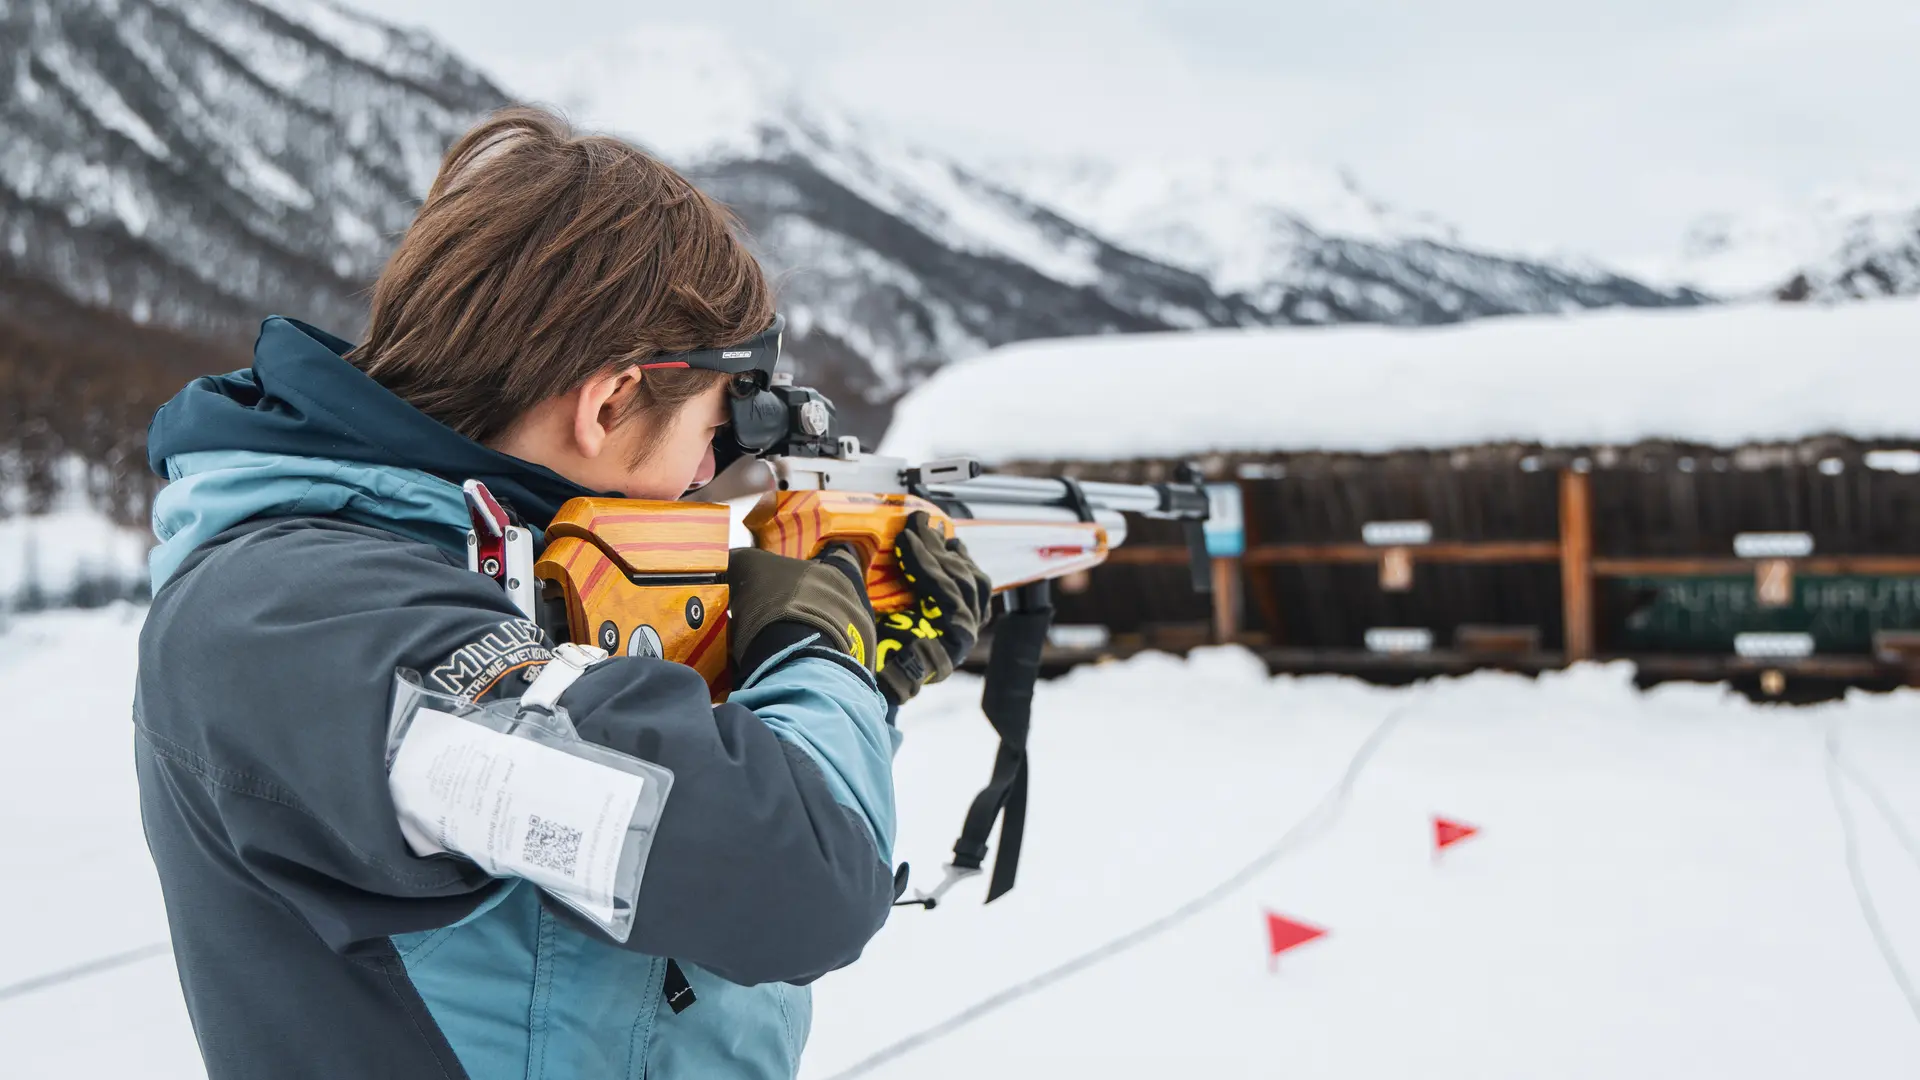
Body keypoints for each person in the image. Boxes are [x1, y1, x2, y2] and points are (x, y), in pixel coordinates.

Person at [133, 105, 991, 1080]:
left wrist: (833, 687)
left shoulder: (476, 576)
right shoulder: (297, 617)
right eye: (719, 432)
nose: (709, 474)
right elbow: (799, 881)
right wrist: (822, 655)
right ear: (612, 401)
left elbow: (645, 824)